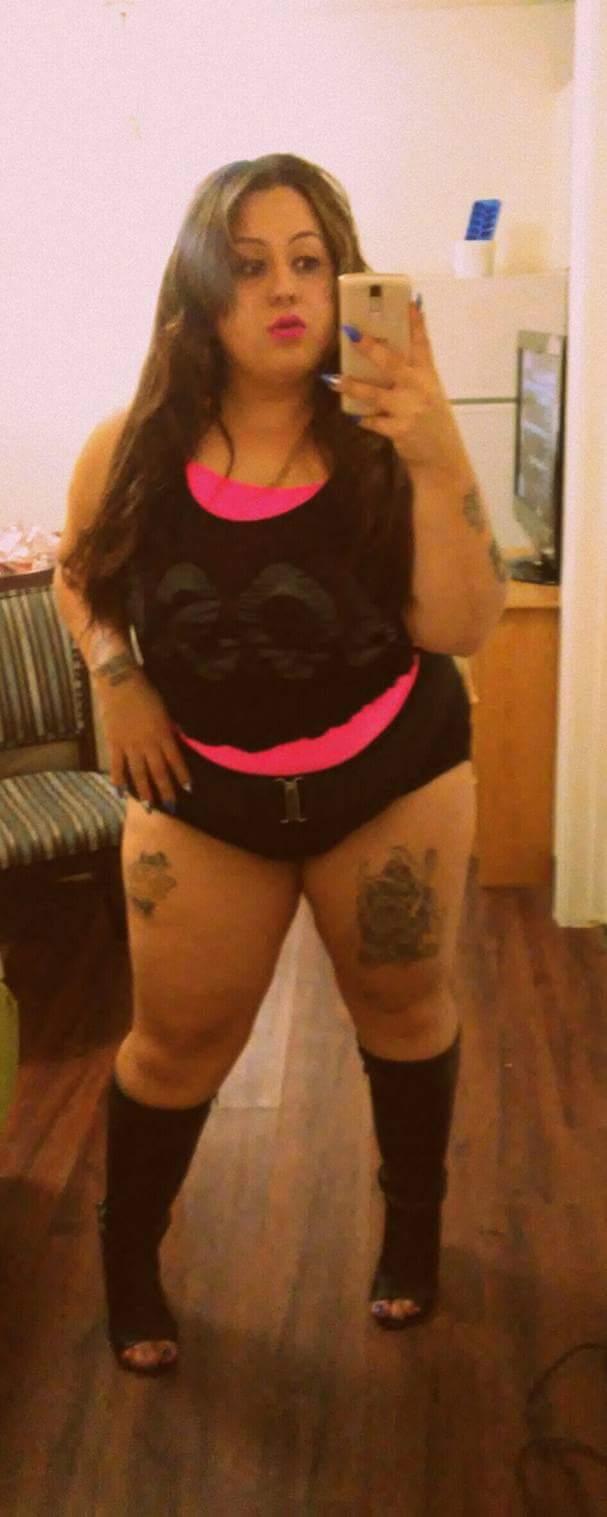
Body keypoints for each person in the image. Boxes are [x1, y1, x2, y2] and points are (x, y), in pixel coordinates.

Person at [54, 153, 508, 1376]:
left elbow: (463, 625)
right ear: (200, 291)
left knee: (405, 1015)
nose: (285, 288)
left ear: (344, 275)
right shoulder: (130, 447)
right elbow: (80, 577)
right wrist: (118, 677)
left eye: (309, 261)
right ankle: (129, 1260)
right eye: (248, 265)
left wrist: (437, 452)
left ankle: (411, 1233)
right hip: (202, 792)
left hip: (391, 774)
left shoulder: (387, 447)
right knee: (173, 1046)